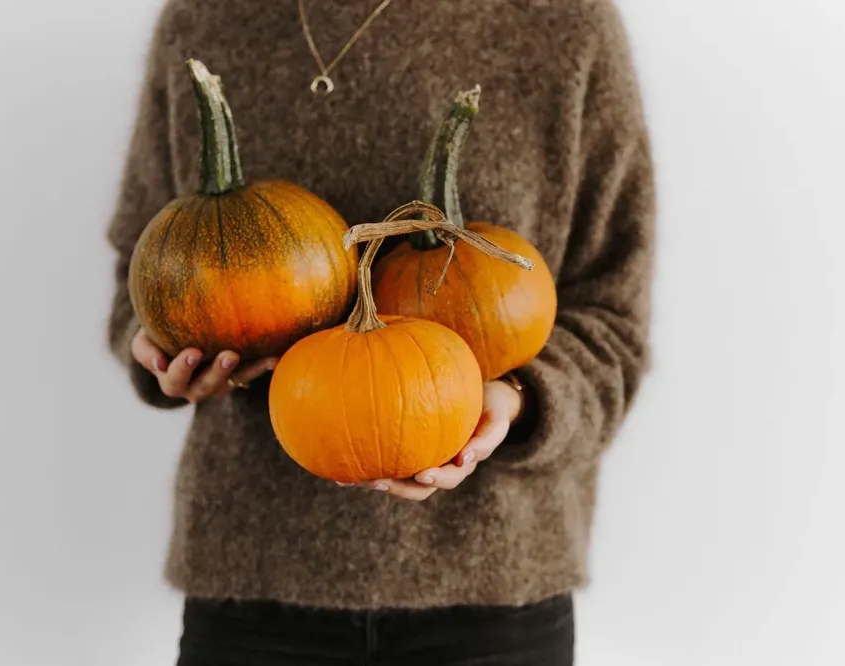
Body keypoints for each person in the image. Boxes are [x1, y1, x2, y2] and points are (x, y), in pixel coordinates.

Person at [106, 0, 655, 663]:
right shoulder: (206, 18)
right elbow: (144, 274)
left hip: (493, 597)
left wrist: (520, 399)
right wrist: (158, 344)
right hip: (253, 591)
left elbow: (612, 319)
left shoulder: (560, 23)